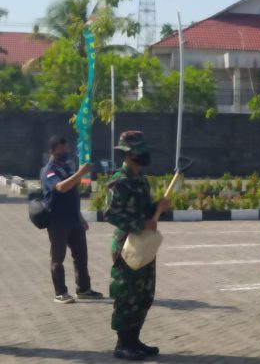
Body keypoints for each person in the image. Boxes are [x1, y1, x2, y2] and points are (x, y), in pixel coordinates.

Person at [104, 131, 170, 361]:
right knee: (127, 294)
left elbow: (143, 210)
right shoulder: (119, 180)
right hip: (127, 245)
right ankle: (123, 344)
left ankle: (134, 339)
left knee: (144, 294)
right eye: (139, 150)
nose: (144, 154)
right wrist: (141, 223)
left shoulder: (140, 179)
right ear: (129, 153)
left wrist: (157, 207)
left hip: (144, 244)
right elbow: (110, 213)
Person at [40, 136, 103, 304]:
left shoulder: (67, 167)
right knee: (58, 258)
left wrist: (80, 217)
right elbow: (61, 187)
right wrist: (80, 173)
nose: (66, 152)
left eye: (67, 149)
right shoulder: (49, 170)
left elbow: (73, 195)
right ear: (53, 151)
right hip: (57, 221)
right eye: (62, 150)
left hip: (74, 220)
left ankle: (83, 289)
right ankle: (60, 292)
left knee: (81, 256)